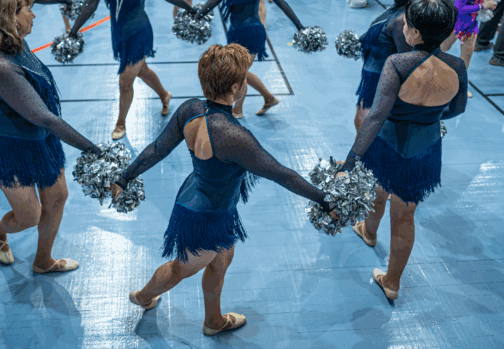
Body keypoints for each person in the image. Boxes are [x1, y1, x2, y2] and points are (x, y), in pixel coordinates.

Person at [109, 43, 336, 334]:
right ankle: (144, 296)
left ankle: (213, 321)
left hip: (201, 198)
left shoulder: (190, 108)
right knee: (181, 268)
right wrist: (324, 199)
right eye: (244, 80)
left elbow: (157, 149)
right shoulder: (234, 135)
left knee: (223, 258)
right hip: (206, 215)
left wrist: (125, 177)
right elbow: (283, 174)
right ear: (235, 87)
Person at [0, 0, 102, 273]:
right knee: (29, 216)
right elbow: (44, 117)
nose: (33, 15)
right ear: (9, 17)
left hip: (41, 140)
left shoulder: (17, 41)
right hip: (10, 147)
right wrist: (93, 149)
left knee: (57, 198)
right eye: (27, 9)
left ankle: (43, 261)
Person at [349, 0, 468, 301]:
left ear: (413, 34)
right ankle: (391, 282)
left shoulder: (398, 62)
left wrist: (349, 161)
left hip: (388, 142)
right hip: (425, 147)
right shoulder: (456, 65)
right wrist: (427, 117)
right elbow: (457, 110)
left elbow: (376, 116)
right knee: (405, 214)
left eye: (406, 23)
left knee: (378, 185)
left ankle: (370, 231)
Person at [66, 0, 195, 140]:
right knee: (142, 70)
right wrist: (73, 29)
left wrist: (190, 9)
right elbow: (91, 3)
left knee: (126, 81)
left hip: (140, 33)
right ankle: (164, 94)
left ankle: (120, 123)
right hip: (118, 35)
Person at [196, 0, 309, 118]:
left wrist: (301, 28)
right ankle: (268, 98)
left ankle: (237, 111)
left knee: (237, 74)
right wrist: (198, 15)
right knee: (240, 73)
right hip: (234, 31)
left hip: (251, 32)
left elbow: (280, 2)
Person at [353, 0, 427, 130]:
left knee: (367, 129)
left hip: (380, 83)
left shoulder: (402, 20)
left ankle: (361, 158)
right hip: (371, 78)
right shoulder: (394, 8)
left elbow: (406, 62)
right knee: (360, 122)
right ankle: (357, 158)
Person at [441, 0, 502, 90]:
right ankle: (427, 70)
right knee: (443, 48)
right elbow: (458, 7)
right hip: (457, 23)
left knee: (467, 54)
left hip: (471, 23)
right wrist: (482, 6)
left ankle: (459, 86)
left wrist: (486, 6)